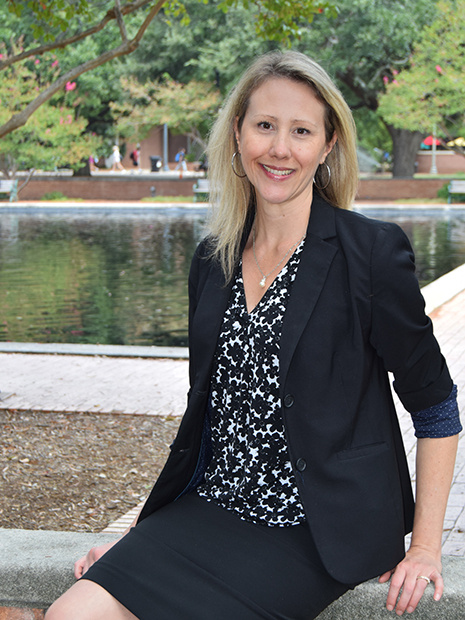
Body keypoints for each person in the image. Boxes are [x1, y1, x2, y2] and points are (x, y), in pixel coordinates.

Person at [45, 51, 461, 620]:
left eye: (301, 131)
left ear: (328, 144)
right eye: (264, 125)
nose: (280, 148)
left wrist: (426, 547)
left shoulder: (371, 254)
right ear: (238, 134)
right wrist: (143, 535)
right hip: (209, 507)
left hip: (315, 531)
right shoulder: (211, 262)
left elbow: (435, 405)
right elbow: (207, 421)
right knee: (71, 614)